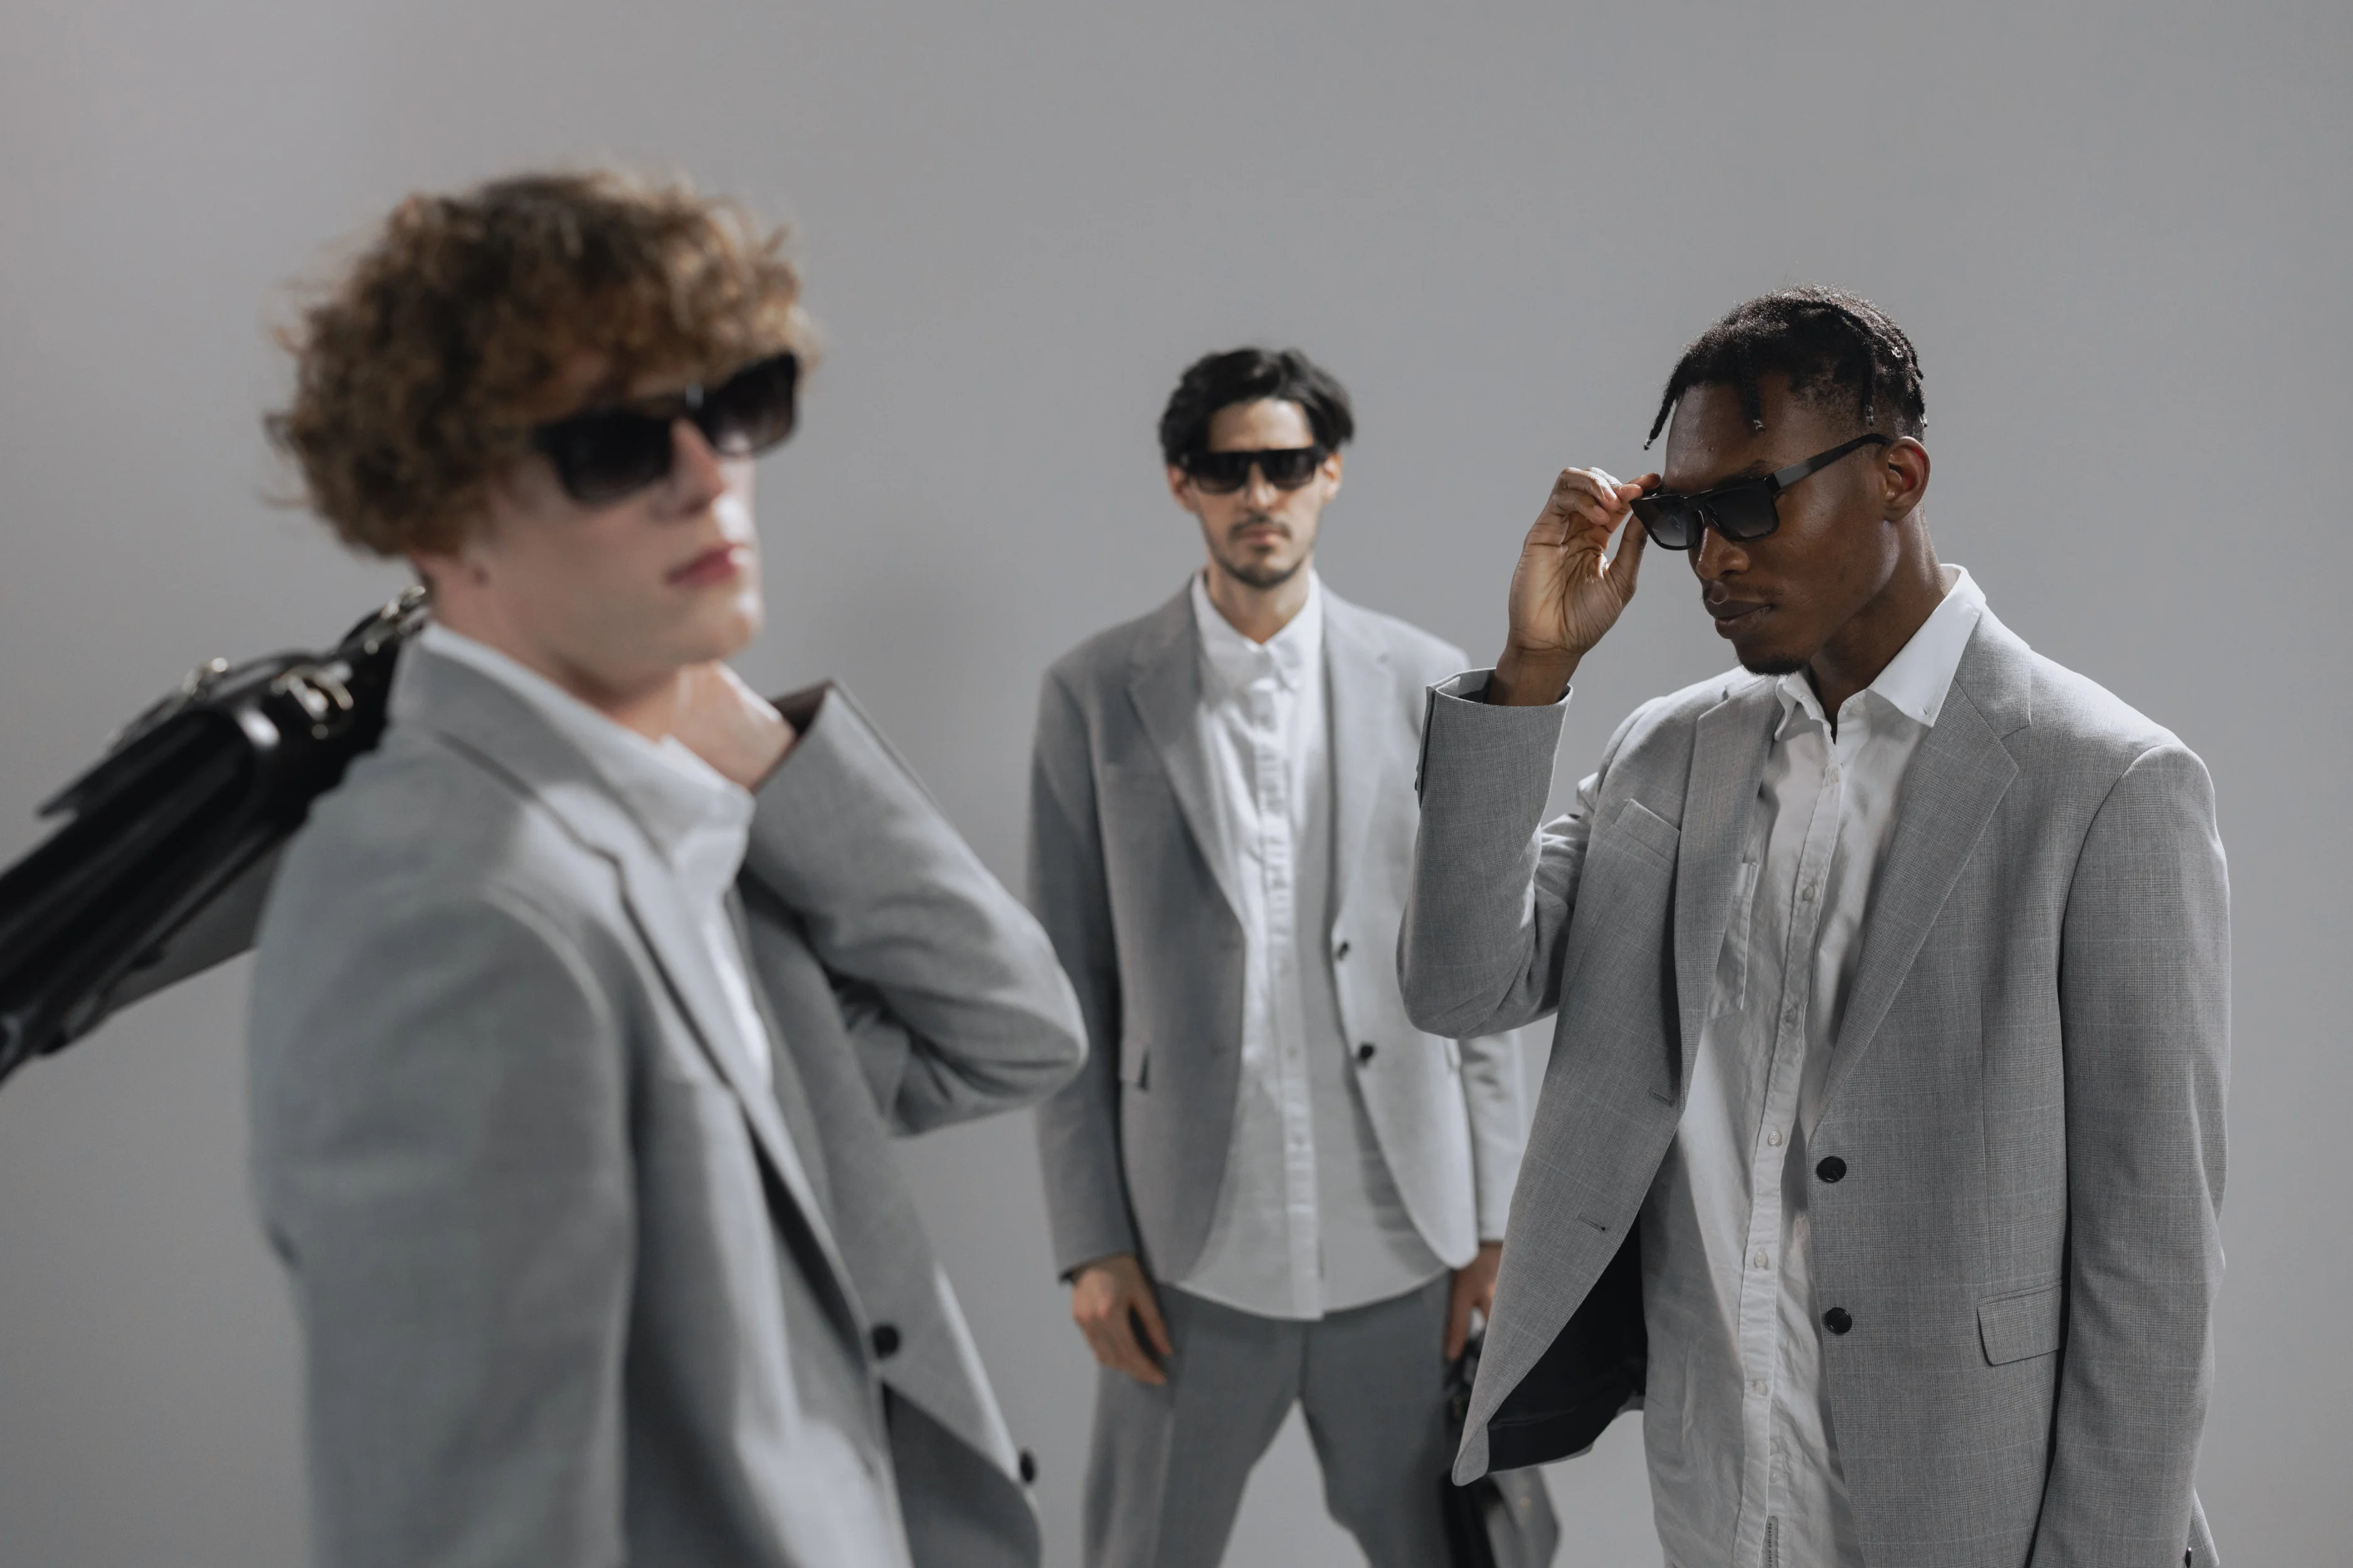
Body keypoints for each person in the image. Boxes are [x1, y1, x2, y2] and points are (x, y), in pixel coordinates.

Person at [248, 171, 1087, 1568]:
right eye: (614, 443)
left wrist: (765, 752)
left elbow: (1017, 1031)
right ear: (439, 519)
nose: (707, 474)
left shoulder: (672, 830)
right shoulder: (449, 913)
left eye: (731, 403)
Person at [1401, 288, 2228, 1566]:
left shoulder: (2104, 784)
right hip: (1722, 1495)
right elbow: (1461, 984)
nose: (1712, 561)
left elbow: (2154, 1260)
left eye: (1748, 504)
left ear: (1896, 478)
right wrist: (1531, 672)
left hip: (1976, 1509)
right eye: (1681, 519)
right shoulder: (1666, 754)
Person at [1029, 347, 1530, 1566]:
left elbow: (1475, 965)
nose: (1259, 494)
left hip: (1402, 1235)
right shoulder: (1094, 693)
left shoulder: (1425, 681)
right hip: (1187, 1248)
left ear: (1330, 473)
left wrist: (1495, 1220)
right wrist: (1090, 1240)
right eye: (1227, 469)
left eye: (1288, 465)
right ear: (1182, 483)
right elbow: (1065, 986)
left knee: (1444, 1549)